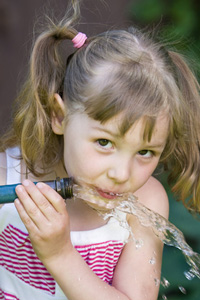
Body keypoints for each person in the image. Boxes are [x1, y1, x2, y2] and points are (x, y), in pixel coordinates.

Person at [0, 1, 200, 299]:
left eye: (145, 152)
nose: (121, 174)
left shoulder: (145, 204)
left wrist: (59, 254)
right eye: (104, 143)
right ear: (60, 116)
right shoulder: (8, 175)